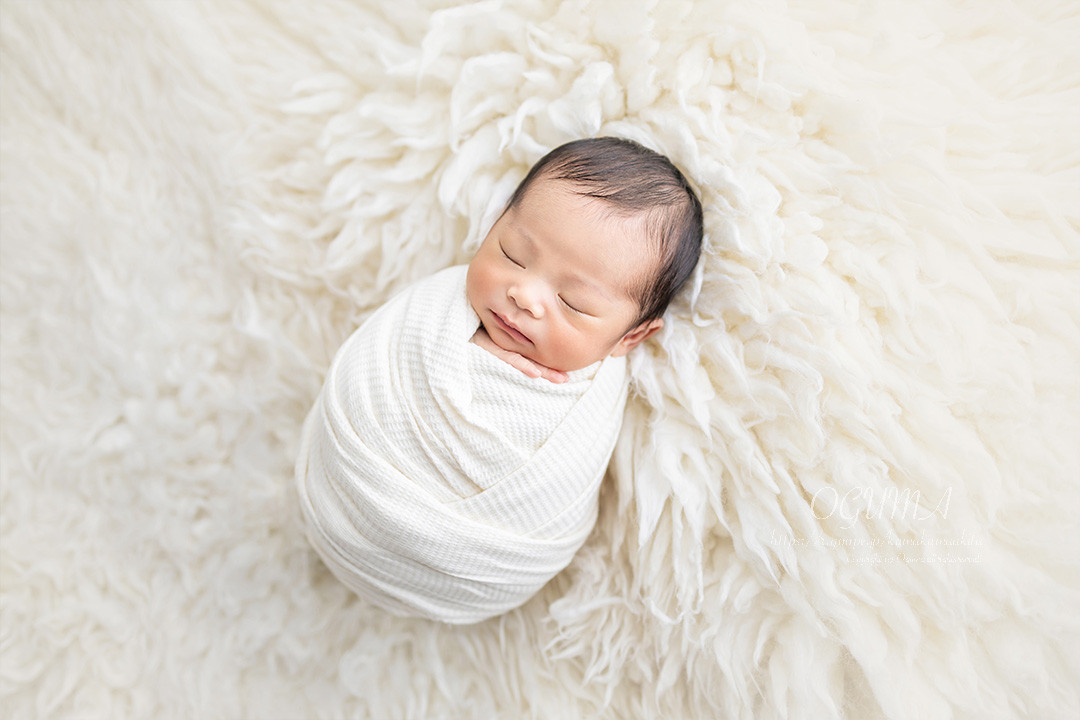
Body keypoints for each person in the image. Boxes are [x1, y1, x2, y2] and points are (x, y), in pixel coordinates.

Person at [295, 137, 703, 623]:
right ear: (494, 224)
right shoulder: (438, 306)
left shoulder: (589, 403)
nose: (524, 295)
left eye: (573, 303)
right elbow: (374, 362)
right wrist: (469, 346)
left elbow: (557, 496)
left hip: (470, 575)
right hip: (341, 497)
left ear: (630, 337)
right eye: (512, 254)